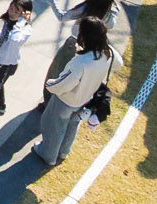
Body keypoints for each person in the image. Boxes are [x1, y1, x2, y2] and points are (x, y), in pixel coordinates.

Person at [36, 15, 116, 165]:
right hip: (84, 98)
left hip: (65, 100)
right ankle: (64, 151)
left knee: (53, 126)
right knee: (71, 126)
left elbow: (64, 83)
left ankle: (48, 155)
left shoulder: (80, 61)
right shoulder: (107, 54)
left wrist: (50, 84)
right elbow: (117, 64)